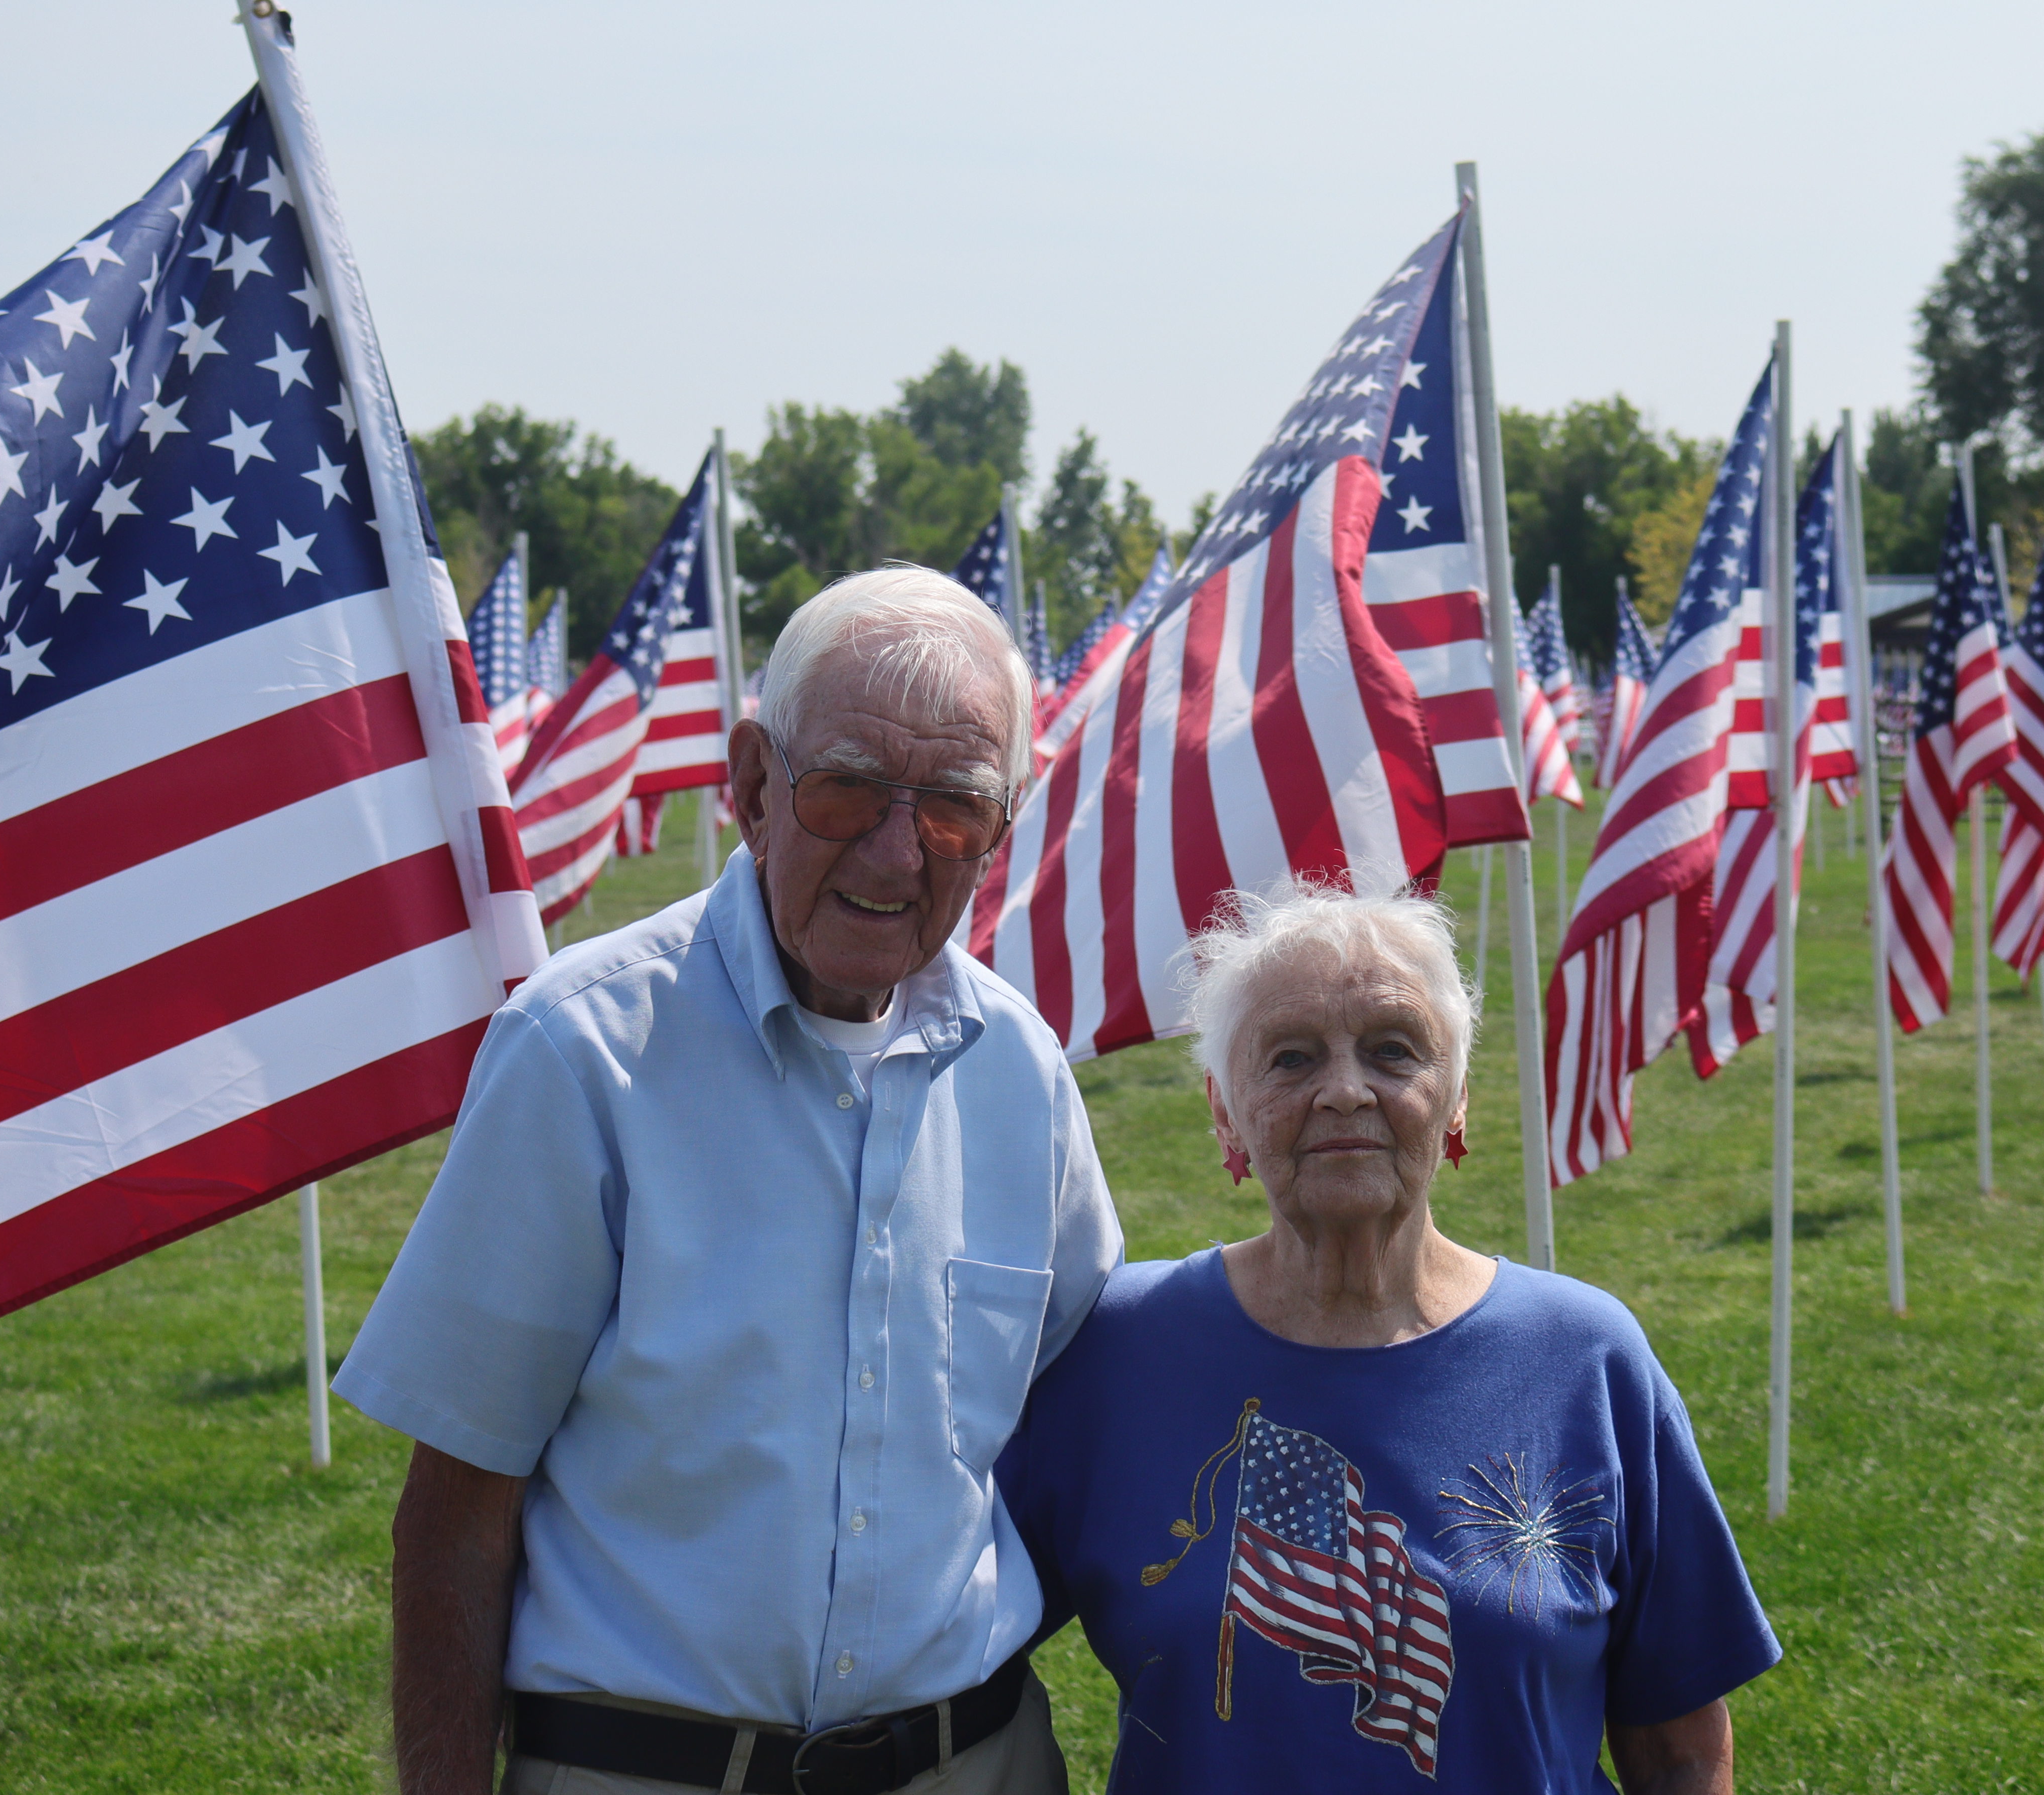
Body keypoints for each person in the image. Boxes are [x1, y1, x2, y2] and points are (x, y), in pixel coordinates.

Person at [337, 566, 1121, 1795]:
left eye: (955, 806)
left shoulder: (1020, 1070)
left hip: (975, 1760)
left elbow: (1073, 1421)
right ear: (755, 784)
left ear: (1005, 824)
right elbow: (456, 1511)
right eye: (849, 785)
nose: (898, 850)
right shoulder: (582, 1049)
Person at [997, 886, 1776, 1793]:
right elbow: (948, 1637)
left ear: (1456, 1101)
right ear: (1224, 1111)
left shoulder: (1588, 1360)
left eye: (1392, 1051)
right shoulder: (1118, 1351)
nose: (1344, 1091)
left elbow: (1680, 1749)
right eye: (1290, 1059)